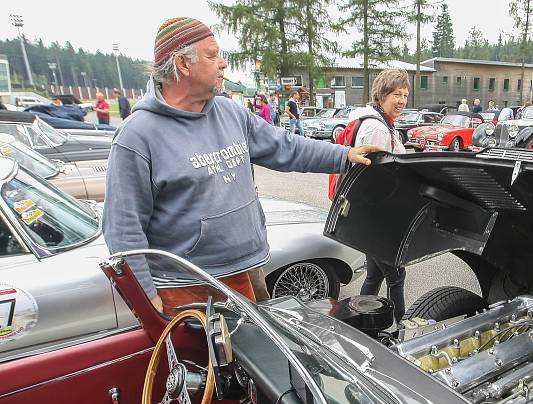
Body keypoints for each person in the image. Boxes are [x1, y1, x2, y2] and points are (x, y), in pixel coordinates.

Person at [102, 17, 381, 315]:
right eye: (212, 55)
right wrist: (146, 295)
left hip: (247, 270)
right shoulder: (137, 136)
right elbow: (123, 228)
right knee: (202, 362)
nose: (223, 63)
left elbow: (284, 146)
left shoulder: (229, 111)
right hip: (184, 287)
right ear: (183, 64)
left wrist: (343, 156)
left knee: (257, 357)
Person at [351, 69, 409, 323]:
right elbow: (376, 179)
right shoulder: (377, 129)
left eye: (405, 95)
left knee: (374, 275)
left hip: (368, 217)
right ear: (382, 94)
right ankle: (401, 334)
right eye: (397, 94)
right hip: (377, 218)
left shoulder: (380, 123)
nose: (402, 100)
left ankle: (364, 325)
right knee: (396, 277)